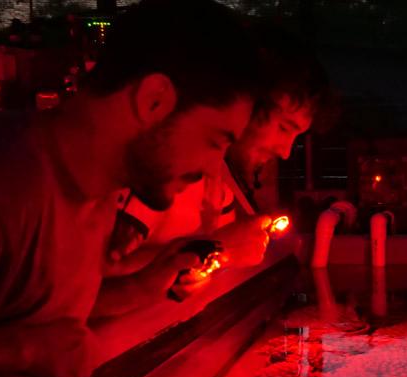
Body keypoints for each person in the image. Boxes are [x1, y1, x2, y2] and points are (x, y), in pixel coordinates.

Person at [0, 0, 263, 377]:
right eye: (215, 141)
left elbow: (46, 311)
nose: (214, 169)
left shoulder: (94, 193)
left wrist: (151, 281)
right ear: (154, 100)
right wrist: (19, 350)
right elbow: (32, 335)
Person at [94, 26, 335, 317]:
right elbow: (92, 282)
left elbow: (195, 268)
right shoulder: (158, 168)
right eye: (284, 128)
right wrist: (219, 249)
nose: (285, 152)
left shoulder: (217, 186)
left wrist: (209, 258)